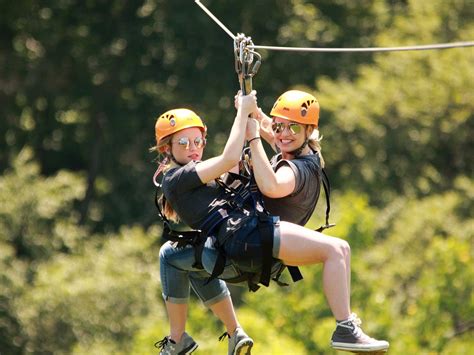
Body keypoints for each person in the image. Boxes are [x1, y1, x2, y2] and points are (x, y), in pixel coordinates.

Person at [154, 90, 390, 354]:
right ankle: (345, 327)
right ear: (167, 149)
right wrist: (244, 116)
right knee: (335, 249)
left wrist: (251, 113)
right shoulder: (177, 178)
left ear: (308, 131)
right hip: (244, 239)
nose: (193, 148)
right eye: (184, 143)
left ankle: (218, 335)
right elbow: (234, 160)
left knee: (170, 255)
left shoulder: (296, 154)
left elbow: (271, 137)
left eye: (198, 141)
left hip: (234, 243)